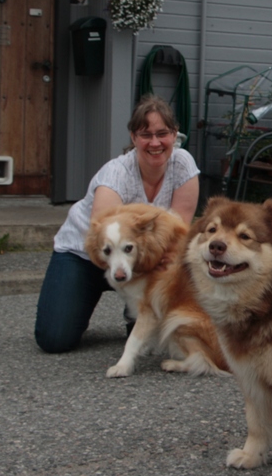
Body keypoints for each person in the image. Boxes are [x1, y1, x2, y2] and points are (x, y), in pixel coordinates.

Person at [34, 95, 200, 353]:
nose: (155, 142)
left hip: (140, 257)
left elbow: (178, 238)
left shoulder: (183, 164)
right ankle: (92, 302)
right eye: (146, 135)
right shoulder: (116, 173)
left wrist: (158, 278)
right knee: (55, 339)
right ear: (133, 138)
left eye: (162, 133)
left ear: (175, 135)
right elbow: (101, 238)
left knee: (153, 332)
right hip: (88, 256)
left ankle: (136, 314)